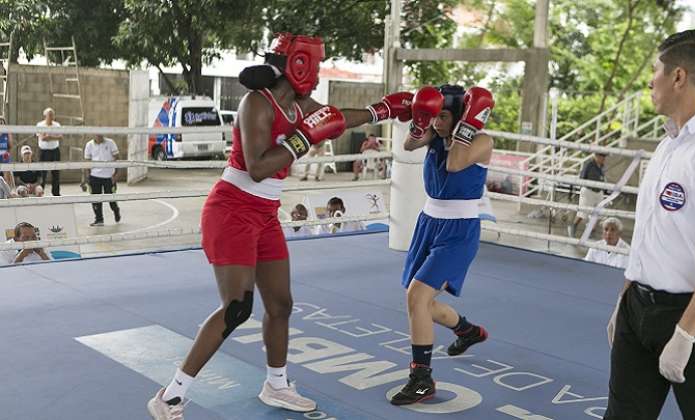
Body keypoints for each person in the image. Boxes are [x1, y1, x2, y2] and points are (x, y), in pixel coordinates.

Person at [147, 32, 414, 419]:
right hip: (232, 210)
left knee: (281, 305)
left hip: (266, 213)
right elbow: (256, 168)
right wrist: (302, 139)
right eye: (316, 65)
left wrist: (384, 110)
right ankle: (170, 395)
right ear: (298, 65)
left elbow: (335, 120)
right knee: (237, 308)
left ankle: (276, 384)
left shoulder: (301, 104)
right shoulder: (257, 102)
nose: (319, 74)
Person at [605, 30, 695, 419]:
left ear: (679, 77)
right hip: (640, 309)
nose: (651, 80)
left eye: (656, 70)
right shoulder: (669, 143)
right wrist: (626, 296)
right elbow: (654, 231)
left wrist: (686, 333)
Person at [390, 84, 494, 406]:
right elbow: (409, 144)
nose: (437, 123)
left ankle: (422, 380)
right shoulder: (434, 134)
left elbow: (454, 164)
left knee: (417, 297)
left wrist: (467, 126)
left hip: (459, 231)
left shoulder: (481, 141)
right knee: (420, 303)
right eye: (435, 116)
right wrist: (421, 120)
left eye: (443, 116)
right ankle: (467, 331)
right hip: (428, 223)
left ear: (462, 116)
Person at [83, 135, 121, 226]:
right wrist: (87, 178)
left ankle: (116, 209)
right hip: (94, 176)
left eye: (100, 134)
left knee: (111, 198)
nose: (99, 136)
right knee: (96, 199)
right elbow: (87, 162)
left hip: (109, 177)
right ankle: (99, 219)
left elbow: (117, 158)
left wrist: (116, 175)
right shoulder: (89, 145)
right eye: (96, 134)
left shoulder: (111, 143)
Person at [568, 152, 606, 237]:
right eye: (602, 157)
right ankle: (573, 226)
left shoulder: (601, 166)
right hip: (588, 190)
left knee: (597, 212)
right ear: (597, 156)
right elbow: (582, 177)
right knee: (583, 212)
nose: (603, 159)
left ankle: (591, 231)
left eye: (604, 157)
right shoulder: (589, 164)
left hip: (598, 191)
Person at [36, 108, 63, 196]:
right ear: (45, 116)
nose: (51, 117)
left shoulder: (57, 125)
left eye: (52, 115)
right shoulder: (40, 125)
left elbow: (60, 137)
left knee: (56, 173)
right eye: (49, 115)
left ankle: (56, 192)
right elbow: (42, 138)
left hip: (55, 151)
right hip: (43, 151)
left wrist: (49, 136)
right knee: (42, 173)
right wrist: (53, 136)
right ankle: (40, 191)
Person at [0, 117, 14, 190]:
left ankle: (8, 192)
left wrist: (8, 134)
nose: (0, 124)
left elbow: (10, 146)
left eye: (2, 122)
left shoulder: (7, 133)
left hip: (5, 154)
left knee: (7, 176)